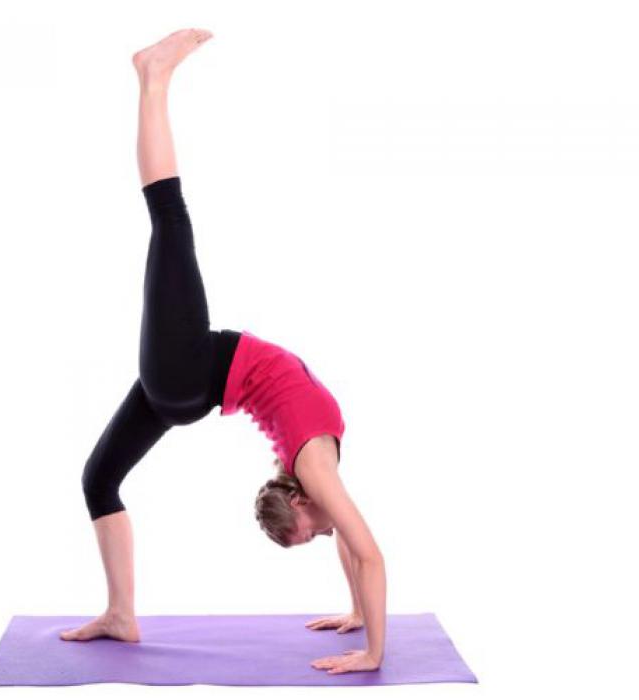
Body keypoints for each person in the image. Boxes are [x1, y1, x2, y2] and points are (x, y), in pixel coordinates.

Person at [59, 28, 385, 675]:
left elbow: (350, 541)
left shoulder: (315, 472)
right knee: (98, 478)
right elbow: (367, 551)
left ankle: (154, 78)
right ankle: (154, 75)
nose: (325, 533)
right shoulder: (315, 470)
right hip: (189, 375)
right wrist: (373, 651)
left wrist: (355, 610)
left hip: (190, 377)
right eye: (313, 532)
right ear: (301, 501)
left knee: (171, 222)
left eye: (310, 535)